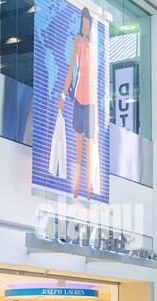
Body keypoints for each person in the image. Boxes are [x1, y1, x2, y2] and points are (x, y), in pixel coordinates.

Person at [59, 7, 99, 201]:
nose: (85, 26)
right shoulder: (78, 43)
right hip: (78, 102)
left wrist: (98, 118)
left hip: (91, 105)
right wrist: (63, 94)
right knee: (78, 151)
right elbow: (70, 70)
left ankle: (89, 190)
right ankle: (76, 189)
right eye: (83, 22)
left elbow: (96, 84)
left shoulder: (93, 48)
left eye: (88, 23)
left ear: (90, 25)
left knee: (89, 152)